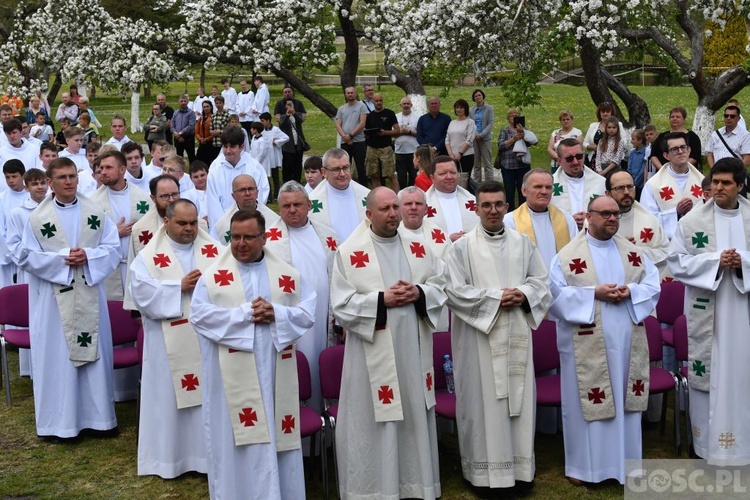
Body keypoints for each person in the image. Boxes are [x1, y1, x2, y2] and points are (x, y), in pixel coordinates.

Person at [189, 209, 316, 499]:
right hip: (229, 383)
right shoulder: (211, 278)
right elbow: (199, 316)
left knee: (276, 432)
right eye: (235, 237)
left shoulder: (287, 275)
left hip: (274, 373)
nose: (241, 243)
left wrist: (278, 313)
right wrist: (245, 314)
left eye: (248, 237)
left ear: (264, 238)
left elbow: (308, 310)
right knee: (235, 438)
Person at [331, 187, 447, 499]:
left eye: (395, 207)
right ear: (369, 214)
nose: (394, 213)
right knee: (373, 419)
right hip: (371, 357)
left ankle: (415, 485)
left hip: (412, 350)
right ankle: (373, 489)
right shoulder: (348, 252)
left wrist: (419, 293)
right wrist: (382, 299)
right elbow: (341, 306)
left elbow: (440, 286)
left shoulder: (419, 247)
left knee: (410, 411)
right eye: (385, 209)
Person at [444, 180, 550, 491]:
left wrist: (523, 294)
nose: (492, 210)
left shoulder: (523, 243)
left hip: (516, 332)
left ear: (506, 207)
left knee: (517, 404)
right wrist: (494, 299)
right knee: (483, 405)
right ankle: (483, 476)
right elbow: (453, 290)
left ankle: (519, 474)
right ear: (476, 209)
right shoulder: (461, 248)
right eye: (486, 205)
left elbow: (541, 282)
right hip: (479, 341)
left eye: (498, 204)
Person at [549, 195, 660, 485]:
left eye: (616, 214)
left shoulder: (633, 252)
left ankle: (624, 466)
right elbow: (554, 297)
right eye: (605, 214)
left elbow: (652, 284)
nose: (612, 218)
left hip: (626, 340)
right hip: (585, 342)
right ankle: (585, 469)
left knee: (624, 402)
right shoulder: (567, 256)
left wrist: (631, 293)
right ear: (589, 216)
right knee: (585, 402)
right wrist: (592, 294)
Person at [18, 157, 121, 440]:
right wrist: (63, 259)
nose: (68, 182)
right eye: (61, 177)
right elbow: (26, 256)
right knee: (57, 358)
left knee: (94, 358)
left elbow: (113, 248)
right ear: (49, 182)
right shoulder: (38, 219)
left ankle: (99, 420)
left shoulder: (95, 212)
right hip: (53, 302)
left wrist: (89, 256)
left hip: (89, 289)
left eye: (72, 176)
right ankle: (59, 425)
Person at [667, 157, 750, 465]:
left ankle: (744, 447)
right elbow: (676, 262)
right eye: (715, 181)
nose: (718, 187)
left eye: (726, 182)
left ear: (740, 186)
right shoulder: (692, 222)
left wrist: (743, 262)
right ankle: (706, 447)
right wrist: (716, 261)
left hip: (743, 314)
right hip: (708, 316)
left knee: (743, 377)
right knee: (709, 377)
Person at [129, 199, 216, 478]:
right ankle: (169, 460)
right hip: (167, 345)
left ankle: (207, 458)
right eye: (182, 223)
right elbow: (142, 295)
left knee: (206, 397)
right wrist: (177, 286)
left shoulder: (216, 251)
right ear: (166, 222)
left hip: (205, 341)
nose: (190, 228)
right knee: (168, 401)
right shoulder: (147, 256)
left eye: (194, 223)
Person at [264, 181, 339, 411]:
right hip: (290, 319)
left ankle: (324, 424)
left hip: (324, 315)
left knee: (322, 365)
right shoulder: (268, 239)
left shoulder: (328, 235)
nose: (292, 209)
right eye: (286, 205)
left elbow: (339, 276)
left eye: (297, 204)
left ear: (309, 205)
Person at [91, 149, 152, 302]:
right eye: (101, 169)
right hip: (109, 270)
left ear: (122, 169)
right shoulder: (92, 203)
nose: (103, 172)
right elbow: (86, 238)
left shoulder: (143, 199)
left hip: (137, 266)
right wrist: (114, 233)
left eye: (108, 168)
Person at [504, 169, 578, 269]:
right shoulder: (509, 221)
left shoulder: (566, 219)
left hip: (561, 282)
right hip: (527, 282)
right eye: (538, 187)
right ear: (524, 191)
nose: (544, 191)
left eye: (548, 187)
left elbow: (576, 253)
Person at [606, 170, 670, 280]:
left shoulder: (650, 221)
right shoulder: (596, 221)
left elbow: (665, 252)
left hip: (641, 283)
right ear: (608, 193)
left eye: (630, 187)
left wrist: (638, 250)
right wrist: (616, 248)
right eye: (620, 188)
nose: (626, 192)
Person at [640, 132, 704, 240]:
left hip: (697, 241)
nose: (680, 152)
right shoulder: (653, 185)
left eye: (683, 147)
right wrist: (676, 212)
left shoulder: (703, 182)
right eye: (674, 149)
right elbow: (647, 219)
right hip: (667, 244)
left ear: (689, 150)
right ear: (666, 156)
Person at [206, 127, 269, 229]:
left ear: (242, 147)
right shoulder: (215, 169)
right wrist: (224, 226)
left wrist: (251, 217)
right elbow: (213, 202)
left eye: (232, 147)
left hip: (250, 219)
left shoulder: (254, 167)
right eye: (225, 147)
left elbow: (261, 193)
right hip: (224, 222)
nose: (228, 151)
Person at [308, 148, 370, 242]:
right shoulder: (311, 202)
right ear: (324, 172)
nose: (342, 174)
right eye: (336, 169)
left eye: (345, 168)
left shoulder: (367, 196)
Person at [550, 138, 606, 230]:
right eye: (569, 159)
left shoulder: (599, 182)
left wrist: (591, 220)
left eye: (579, 156)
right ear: (559, 161)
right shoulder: (550, 185)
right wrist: (569, 221)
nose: (575, 162)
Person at [211, 174, 279, 245]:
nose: (247, 193)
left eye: (251, 189)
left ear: (257, 193)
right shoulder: (222, 226)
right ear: (234, 196)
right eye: (242, 190)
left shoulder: (274, 221)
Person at [423, 156, 479, 241]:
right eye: (442, 174)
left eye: (453, 173)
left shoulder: (473, 201)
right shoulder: (422, 204)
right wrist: (447, 239)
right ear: (432, 178)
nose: (449, 177)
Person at [496, 109, 536, 211]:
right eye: (511, 116)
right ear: (508, 118)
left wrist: (523, 134)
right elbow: (501, 145)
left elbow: (532, 143)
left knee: (524, 190)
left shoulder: (525, 130)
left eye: (516, 115)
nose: (514, 117)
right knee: (509, 191)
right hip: (508, 166)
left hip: (522, 165)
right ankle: (510, 213)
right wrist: (514, 139)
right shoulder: (505, 130)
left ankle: (524, 212)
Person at [364, 93, 400, 189]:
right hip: (372, 148)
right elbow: (366, 131)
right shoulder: (370, 116)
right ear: (373, 102)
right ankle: (377, 196)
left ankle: (398, 196)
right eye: (376, 101)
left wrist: (385, 133)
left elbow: (397, 130)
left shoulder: (389, 113)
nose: (379, 103)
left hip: (385, 148)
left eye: (380, 100)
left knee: (391, 174)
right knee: (373, 174)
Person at [649, 107, 702, 171]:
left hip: (686, 172)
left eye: (678, 117)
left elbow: (695, 157)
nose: (674, 118)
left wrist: (678, 169)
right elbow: (653, 155)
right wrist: (663, 170)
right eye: (672, 117)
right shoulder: (662, 136)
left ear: (684, 120)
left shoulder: (693, 137)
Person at [274, 87, 307, 187]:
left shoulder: (299, 103)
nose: (287, 93)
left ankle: (297, 182)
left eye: (289, 92)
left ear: (292, 92)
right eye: (285, 92)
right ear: (283, 93)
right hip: (287, 139)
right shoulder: (279, 104)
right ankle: (287, 183)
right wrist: (287, 115)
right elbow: (280, 121)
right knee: (287, 163)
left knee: (298, 162)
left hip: (298, 138)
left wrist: (294, 113)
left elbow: (302, 119)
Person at [335, 87, 368, 186]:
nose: (350, 94)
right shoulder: (341, 109)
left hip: (359, 141)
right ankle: (346, 185)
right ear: (345, 94)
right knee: (345, 165)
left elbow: (362, 123)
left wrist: (350, 135)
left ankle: (363, 187)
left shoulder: (361, 106)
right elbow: (338, 125)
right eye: (348, 93)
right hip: (344, 142)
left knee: (360, 166)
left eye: (352, 93)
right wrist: (345, 136)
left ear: (355, 93)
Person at [582, 102, 628, 167]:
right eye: (603, 111)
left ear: (611, 112)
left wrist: (610, 147)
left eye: (608, 111)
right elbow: (585, 143)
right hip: (595, 160)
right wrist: (592, 147)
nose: (605, 113)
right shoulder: (593, 126)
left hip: (613, 160)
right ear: (599, 113)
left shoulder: (618, 125)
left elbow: (624, 142)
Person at [705, 104, 750, 169]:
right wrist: (713, 170)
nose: (728, 118)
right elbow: (710, 155)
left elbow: (747, 159)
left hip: (735, 173)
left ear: (738, 118)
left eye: (732, 116)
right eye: (726, 116)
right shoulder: (715, 134)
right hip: (717, 172)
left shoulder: (745, 135)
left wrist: (733, 171)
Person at [444, 99, 476, 190]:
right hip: (452, 156)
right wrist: (450, 154)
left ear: (465, 109)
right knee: (453, 179)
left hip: (466, 155)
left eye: (461, 107)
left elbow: (469, 139)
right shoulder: (452, 122)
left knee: (464, 180)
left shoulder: (470, 122)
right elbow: (447, 139)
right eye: (457, 107)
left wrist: (460, 153)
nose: (459, 109)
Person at [469, 89, 495, 184]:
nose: (478, 97)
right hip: (475, 138)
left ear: (483, 96)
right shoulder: (471, 110)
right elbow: (471, 123)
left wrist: (482, 134)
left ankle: (490, 183)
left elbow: (490, 123)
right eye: (476, 96)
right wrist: (476, 134)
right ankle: (477, 184)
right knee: (476, 163)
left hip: (485, 138)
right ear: (474, 98)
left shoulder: (489, 108)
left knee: (487, 163)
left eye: (479, 95)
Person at [171, 93, 196, 163]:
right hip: (177, 138)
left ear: (187, 102)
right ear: (179, 102)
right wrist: (176, 134)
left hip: (188, 138)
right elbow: (172, 125)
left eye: (185, 101)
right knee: (179, 157)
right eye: (181, 101)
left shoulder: (191, 113)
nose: (183, 103)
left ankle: (193, 171)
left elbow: (191, 126)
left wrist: (180, 133)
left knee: (191, 156)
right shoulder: (175, 113)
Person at [627, 129, 649, 200]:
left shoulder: (646, 152)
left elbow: (643, 170)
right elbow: (629, 167)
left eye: (633, 139)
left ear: (640, 141)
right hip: (631, 183)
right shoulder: (632, 153)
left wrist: (635, 182)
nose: (631, 141)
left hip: (640, 185)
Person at [195, 100, 217, 164]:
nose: (206, 108)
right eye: (204, 107)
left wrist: (206, 139)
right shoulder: (200, 119)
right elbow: (196, 132)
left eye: (207, 106)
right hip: (201, 143)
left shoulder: (214, 118)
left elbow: (214, 132)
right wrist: (200, 139)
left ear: (211, 107)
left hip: (210, 143)